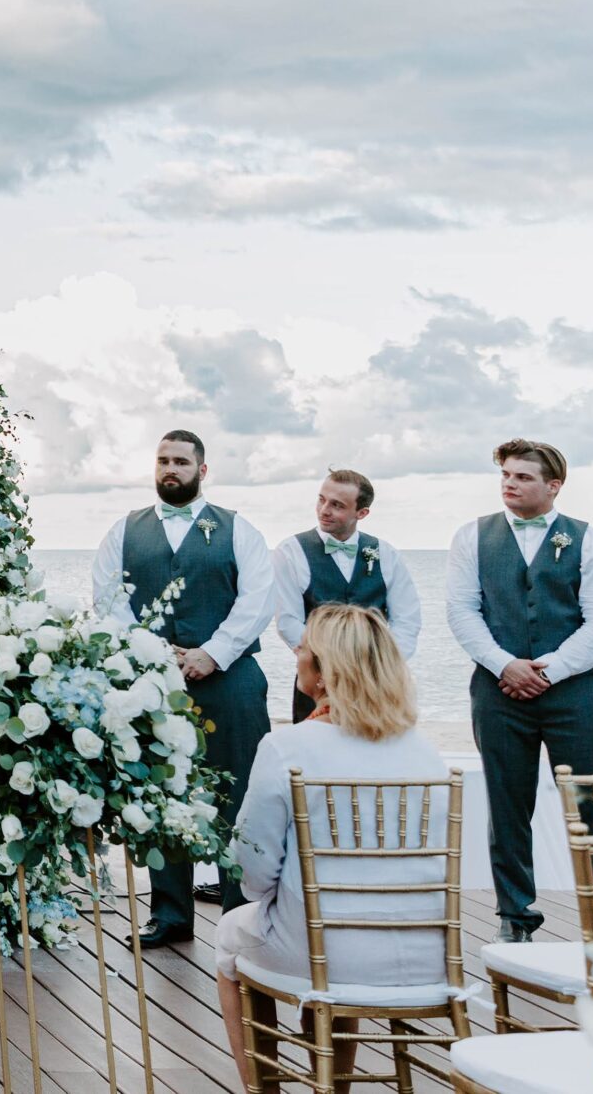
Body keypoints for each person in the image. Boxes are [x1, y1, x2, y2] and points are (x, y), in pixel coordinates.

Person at [215, 605, 454, 1091]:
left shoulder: (288, 747)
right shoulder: (425, 752)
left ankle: (263, 1090)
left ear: (323, 674)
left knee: (231, 933)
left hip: (326, 955)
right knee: (323, 934)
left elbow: (253, 873)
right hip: (424, 957)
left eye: (303, 648)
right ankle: (335, 1087)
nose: (296, 656)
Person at [89, 429, 274, 948]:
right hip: (151, 683)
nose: (170, 469)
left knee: (238, 791)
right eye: (162, 460)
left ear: (202, 471)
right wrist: (153, 651)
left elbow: (259, 598)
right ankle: (170, 914)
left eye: (181, 462)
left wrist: (212, 652)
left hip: (231, 679)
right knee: (161, 790)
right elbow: (108, 599)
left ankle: (244, 913)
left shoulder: (239, 531)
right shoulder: (124, 530)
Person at [446, 438, 593, 941]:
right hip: (498, 691)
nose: (509, 483)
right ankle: (515, 917)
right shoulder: (471, 537)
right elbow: (463, 611)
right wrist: (506, 665)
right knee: (507, 805)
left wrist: (550, 670)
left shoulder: (590, 541)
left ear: (554, 486)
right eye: (506, 474)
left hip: (575, 694)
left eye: (523, 476)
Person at [270, 469, 422, 721]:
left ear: (361, 513)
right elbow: (288, 622)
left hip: (375, 683)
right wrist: (330, 667)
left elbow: (407, 621)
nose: (324, 510)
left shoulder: (386, 554)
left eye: (337, 505)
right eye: (321, 499)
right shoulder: (290, 551)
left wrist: (377, 666)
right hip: (317, 682)